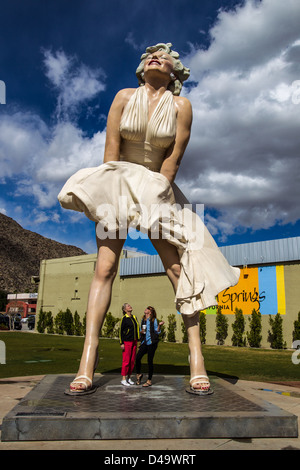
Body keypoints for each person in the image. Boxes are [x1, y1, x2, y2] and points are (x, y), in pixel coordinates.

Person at [59, 42, 240, 396]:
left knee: (177, 269)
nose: (156, 56)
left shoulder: (181, 106)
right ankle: (87, 361)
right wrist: (108, 192)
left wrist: (157, 193)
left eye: (165, 55)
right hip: (118, 181)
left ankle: (196, 358)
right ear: (143, 68)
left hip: (158, 186)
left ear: (175, 71)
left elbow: (173, 159)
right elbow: (111, 151)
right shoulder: (124, 96)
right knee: (105, 268)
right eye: (150, 55)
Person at [136, 306, 164, 387]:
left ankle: (149, 380)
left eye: (148, 308)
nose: (146, 309)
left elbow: (157, 331)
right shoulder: (143, 319)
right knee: (138, 358)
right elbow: (142, 331)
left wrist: (159, 325)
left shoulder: (153, 320)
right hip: (144, 342)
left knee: (149, 360)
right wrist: (141, 331)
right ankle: (139, 374)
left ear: (150, 312)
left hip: (152, 343)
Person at [119, 303, 140, 386]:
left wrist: (138, 339)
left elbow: (137, 329)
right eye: (128, 306)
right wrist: (121, 343)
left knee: (132, 361)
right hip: (127, 342)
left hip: (134, 341)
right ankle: (123, 378)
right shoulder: (124, 318)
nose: (130, 306)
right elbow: (121, 331)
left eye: (130, 305)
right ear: (125, 310)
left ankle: (128, 377)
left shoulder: (134, 317)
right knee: (126, 360)